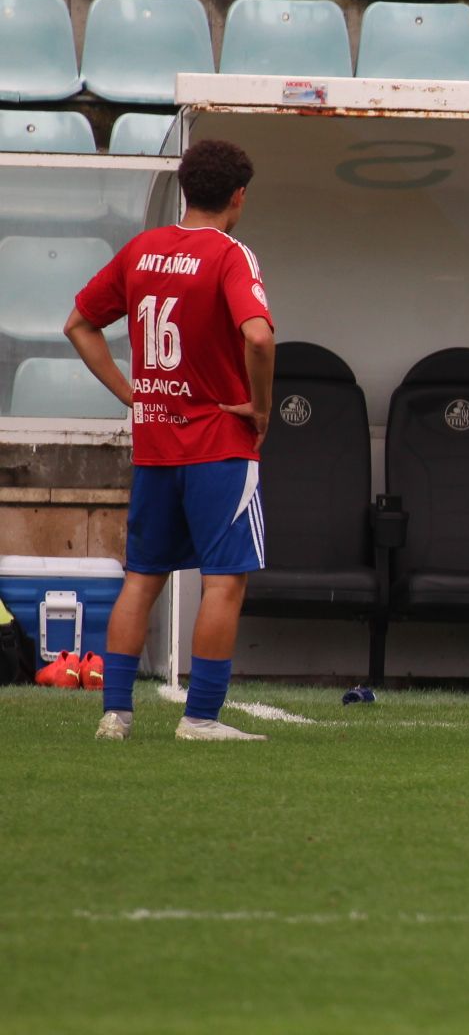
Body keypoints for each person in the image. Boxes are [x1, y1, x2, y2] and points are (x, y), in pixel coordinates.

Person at [66, 139, 276, 743]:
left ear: (185, 188)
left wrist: (131, 393)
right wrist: (260, 408)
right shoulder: (231, 254)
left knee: (143, 576)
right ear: (238, 197)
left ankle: (115, 714)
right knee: (224, 579)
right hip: (218, 441)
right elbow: (258, 338)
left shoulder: (142, 249)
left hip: (156, 443)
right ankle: (202, 718)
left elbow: (78, 324)